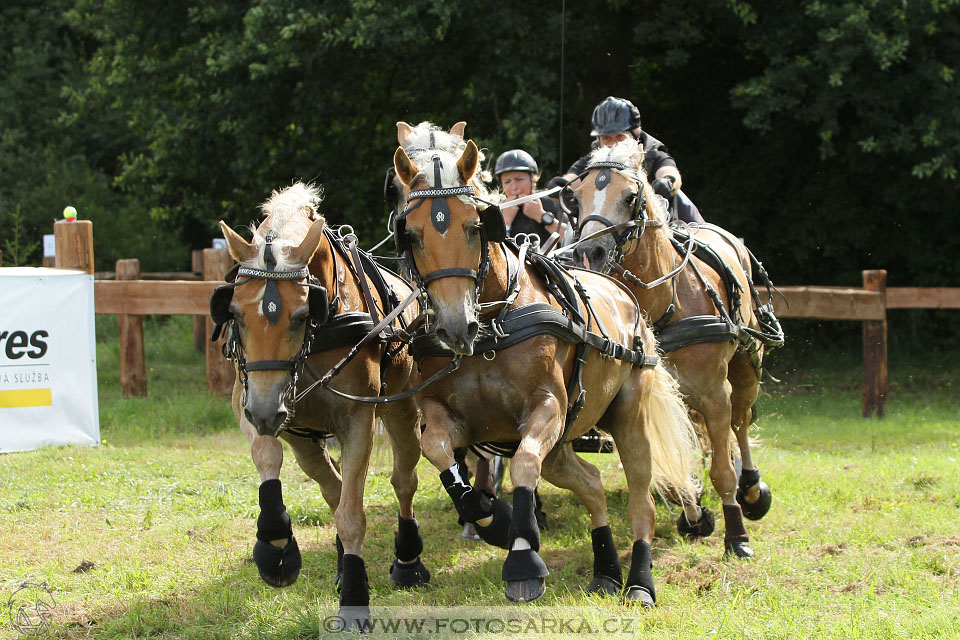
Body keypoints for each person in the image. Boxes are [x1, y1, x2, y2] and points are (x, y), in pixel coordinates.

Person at [551, 96, 704, 224]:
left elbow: (669, 171)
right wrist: (560, 186)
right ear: (599, 139)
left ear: (635, 134)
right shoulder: (594, 160)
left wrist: (668, 181)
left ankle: (705, 248)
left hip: (664, 226)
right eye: (607, 138)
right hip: (611, 231)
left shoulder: (652, 154)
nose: (613, 144)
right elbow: (572, 179)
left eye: (620, 136)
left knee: (680, 196)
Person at [494, 149, 569, 246]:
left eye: (519, 179)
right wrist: (505, 223)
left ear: (533, 180)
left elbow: (571, 240)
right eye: (507, 182)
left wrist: (541, 216)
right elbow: (493, 253)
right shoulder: (497, 211)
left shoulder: (550, 201)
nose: (514, 188)